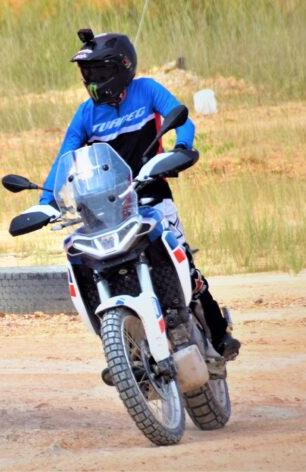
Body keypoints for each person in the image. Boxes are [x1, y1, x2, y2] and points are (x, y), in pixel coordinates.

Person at [38, 28, 240, 362]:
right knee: (100, 265)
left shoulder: (147, 90)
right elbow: (64, 159)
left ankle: (218, 335)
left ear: (122, 66)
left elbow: (182, 119)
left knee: (184, 261)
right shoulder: (86, 114)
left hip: (152, 195)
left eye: (98, 72)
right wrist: (46, 202)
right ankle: (126, 351)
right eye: (87, 73)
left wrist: (182, 147)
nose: (91, 81)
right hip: (107, 208)